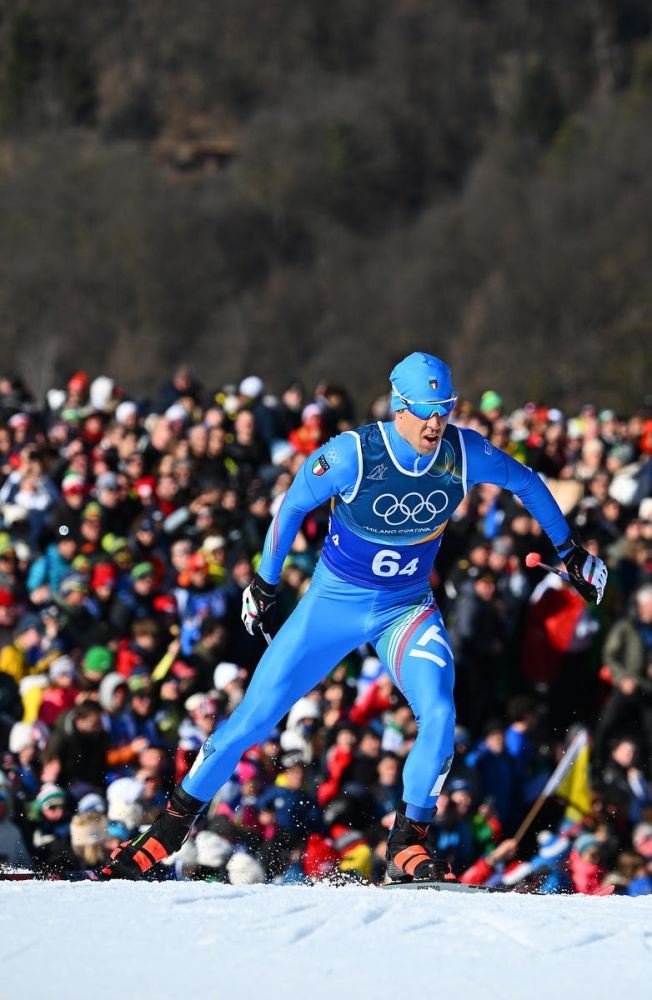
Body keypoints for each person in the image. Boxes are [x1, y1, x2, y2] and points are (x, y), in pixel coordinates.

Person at [103, 352, 608, 882]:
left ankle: (408, 842)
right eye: (427, 410)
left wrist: (570, 551)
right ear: (400, 407)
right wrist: (264, 583)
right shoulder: (353, 454)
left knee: (440, 712)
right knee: (251, 720)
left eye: (446, 409)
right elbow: (292, 505)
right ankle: (167, 830)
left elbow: (526, 482)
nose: (437, 422)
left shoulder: (463, 453)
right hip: (332, 606)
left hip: (405, 608)